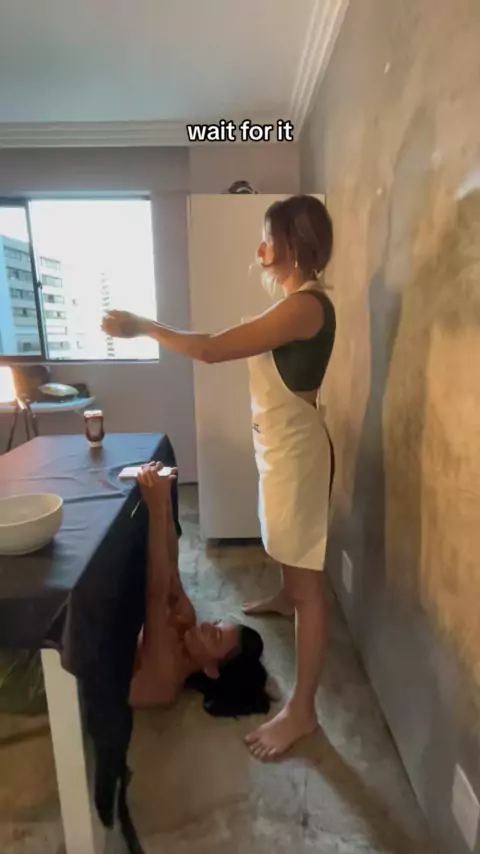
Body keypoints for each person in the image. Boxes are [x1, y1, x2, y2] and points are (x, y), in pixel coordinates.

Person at [102, 194, 336, 760]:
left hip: (298, 455)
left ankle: (303, 708)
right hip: (280, 447)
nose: (260, 250)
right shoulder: (293, 305)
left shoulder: (306, 306)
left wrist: (143, 326)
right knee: (284, 547)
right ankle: (285, 593)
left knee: (311, 586)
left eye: (268, 239)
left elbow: (209, 351)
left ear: (294, 244)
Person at [131, 462, 271, 720]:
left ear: (211, 669)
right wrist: (166, 502)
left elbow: (156, 595)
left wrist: (156, 509)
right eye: (216, 624)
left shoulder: (165, 677)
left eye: (214, 636)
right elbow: (171, 573)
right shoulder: (186, 623)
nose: (206, 625)